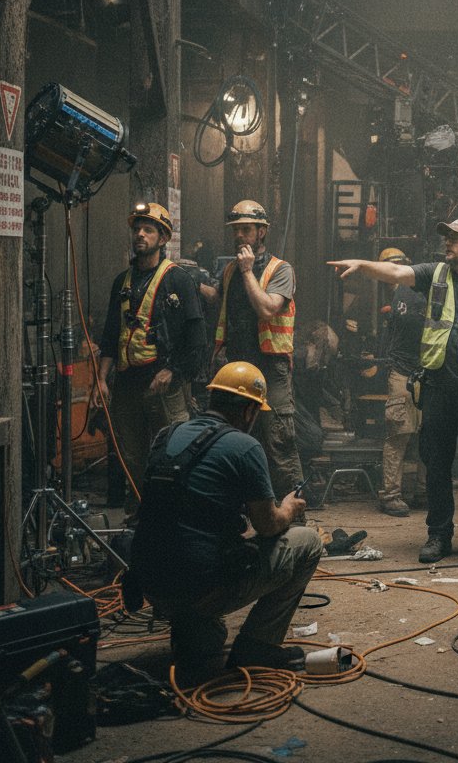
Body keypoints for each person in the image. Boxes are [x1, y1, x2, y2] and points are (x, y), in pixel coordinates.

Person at [330, 218, 458, 565]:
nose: (447, 243)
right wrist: (363, 265)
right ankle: (438, 535)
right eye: (447, 237)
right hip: (439, 386)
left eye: (455, 238)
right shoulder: (435, 273)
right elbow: (396, 274)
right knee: (437, 466)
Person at [130, 361, 322, 683]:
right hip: (200, 587)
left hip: (151, 582)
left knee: (208, 639)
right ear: (249, 411)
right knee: (308, 542)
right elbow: (269, 525)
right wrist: (288, 508)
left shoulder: (167, 434)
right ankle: (258, 647)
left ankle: (190, 631)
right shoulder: (245, 447)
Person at [93, 203, 206, 519]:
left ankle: (178, 521)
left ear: (162, 238)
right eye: (137, 229)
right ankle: (140, 521)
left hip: (163, 385)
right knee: (133, 458)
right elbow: (111, 334)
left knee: (175, 455)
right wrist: (101, 378)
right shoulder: (123, 281)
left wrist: (174, 371)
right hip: (128, 384)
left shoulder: (178, 280)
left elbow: (197, 338)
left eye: (149, 230)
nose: (140, 234)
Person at [213, 199, 303, 498]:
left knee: (277, 439)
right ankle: (246, 511)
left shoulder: (281, 269)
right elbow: (220, 302)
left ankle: (294, 514)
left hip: (270, 365)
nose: (239, 235)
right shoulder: (229, 271)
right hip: (236, 364)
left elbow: (267, 309)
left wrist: (248, 271)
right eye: (236, 229)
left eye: (247, 229)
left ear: (261, 232)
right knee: (234, 438)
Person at [376, 247, 427, 518]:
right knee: (399, 433)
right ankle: (392, 495)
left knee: (427, 435)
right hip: (402, 371)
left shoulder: (412, 292)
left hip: (421, 371)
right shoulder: (390, 297)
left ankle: (422, 491)